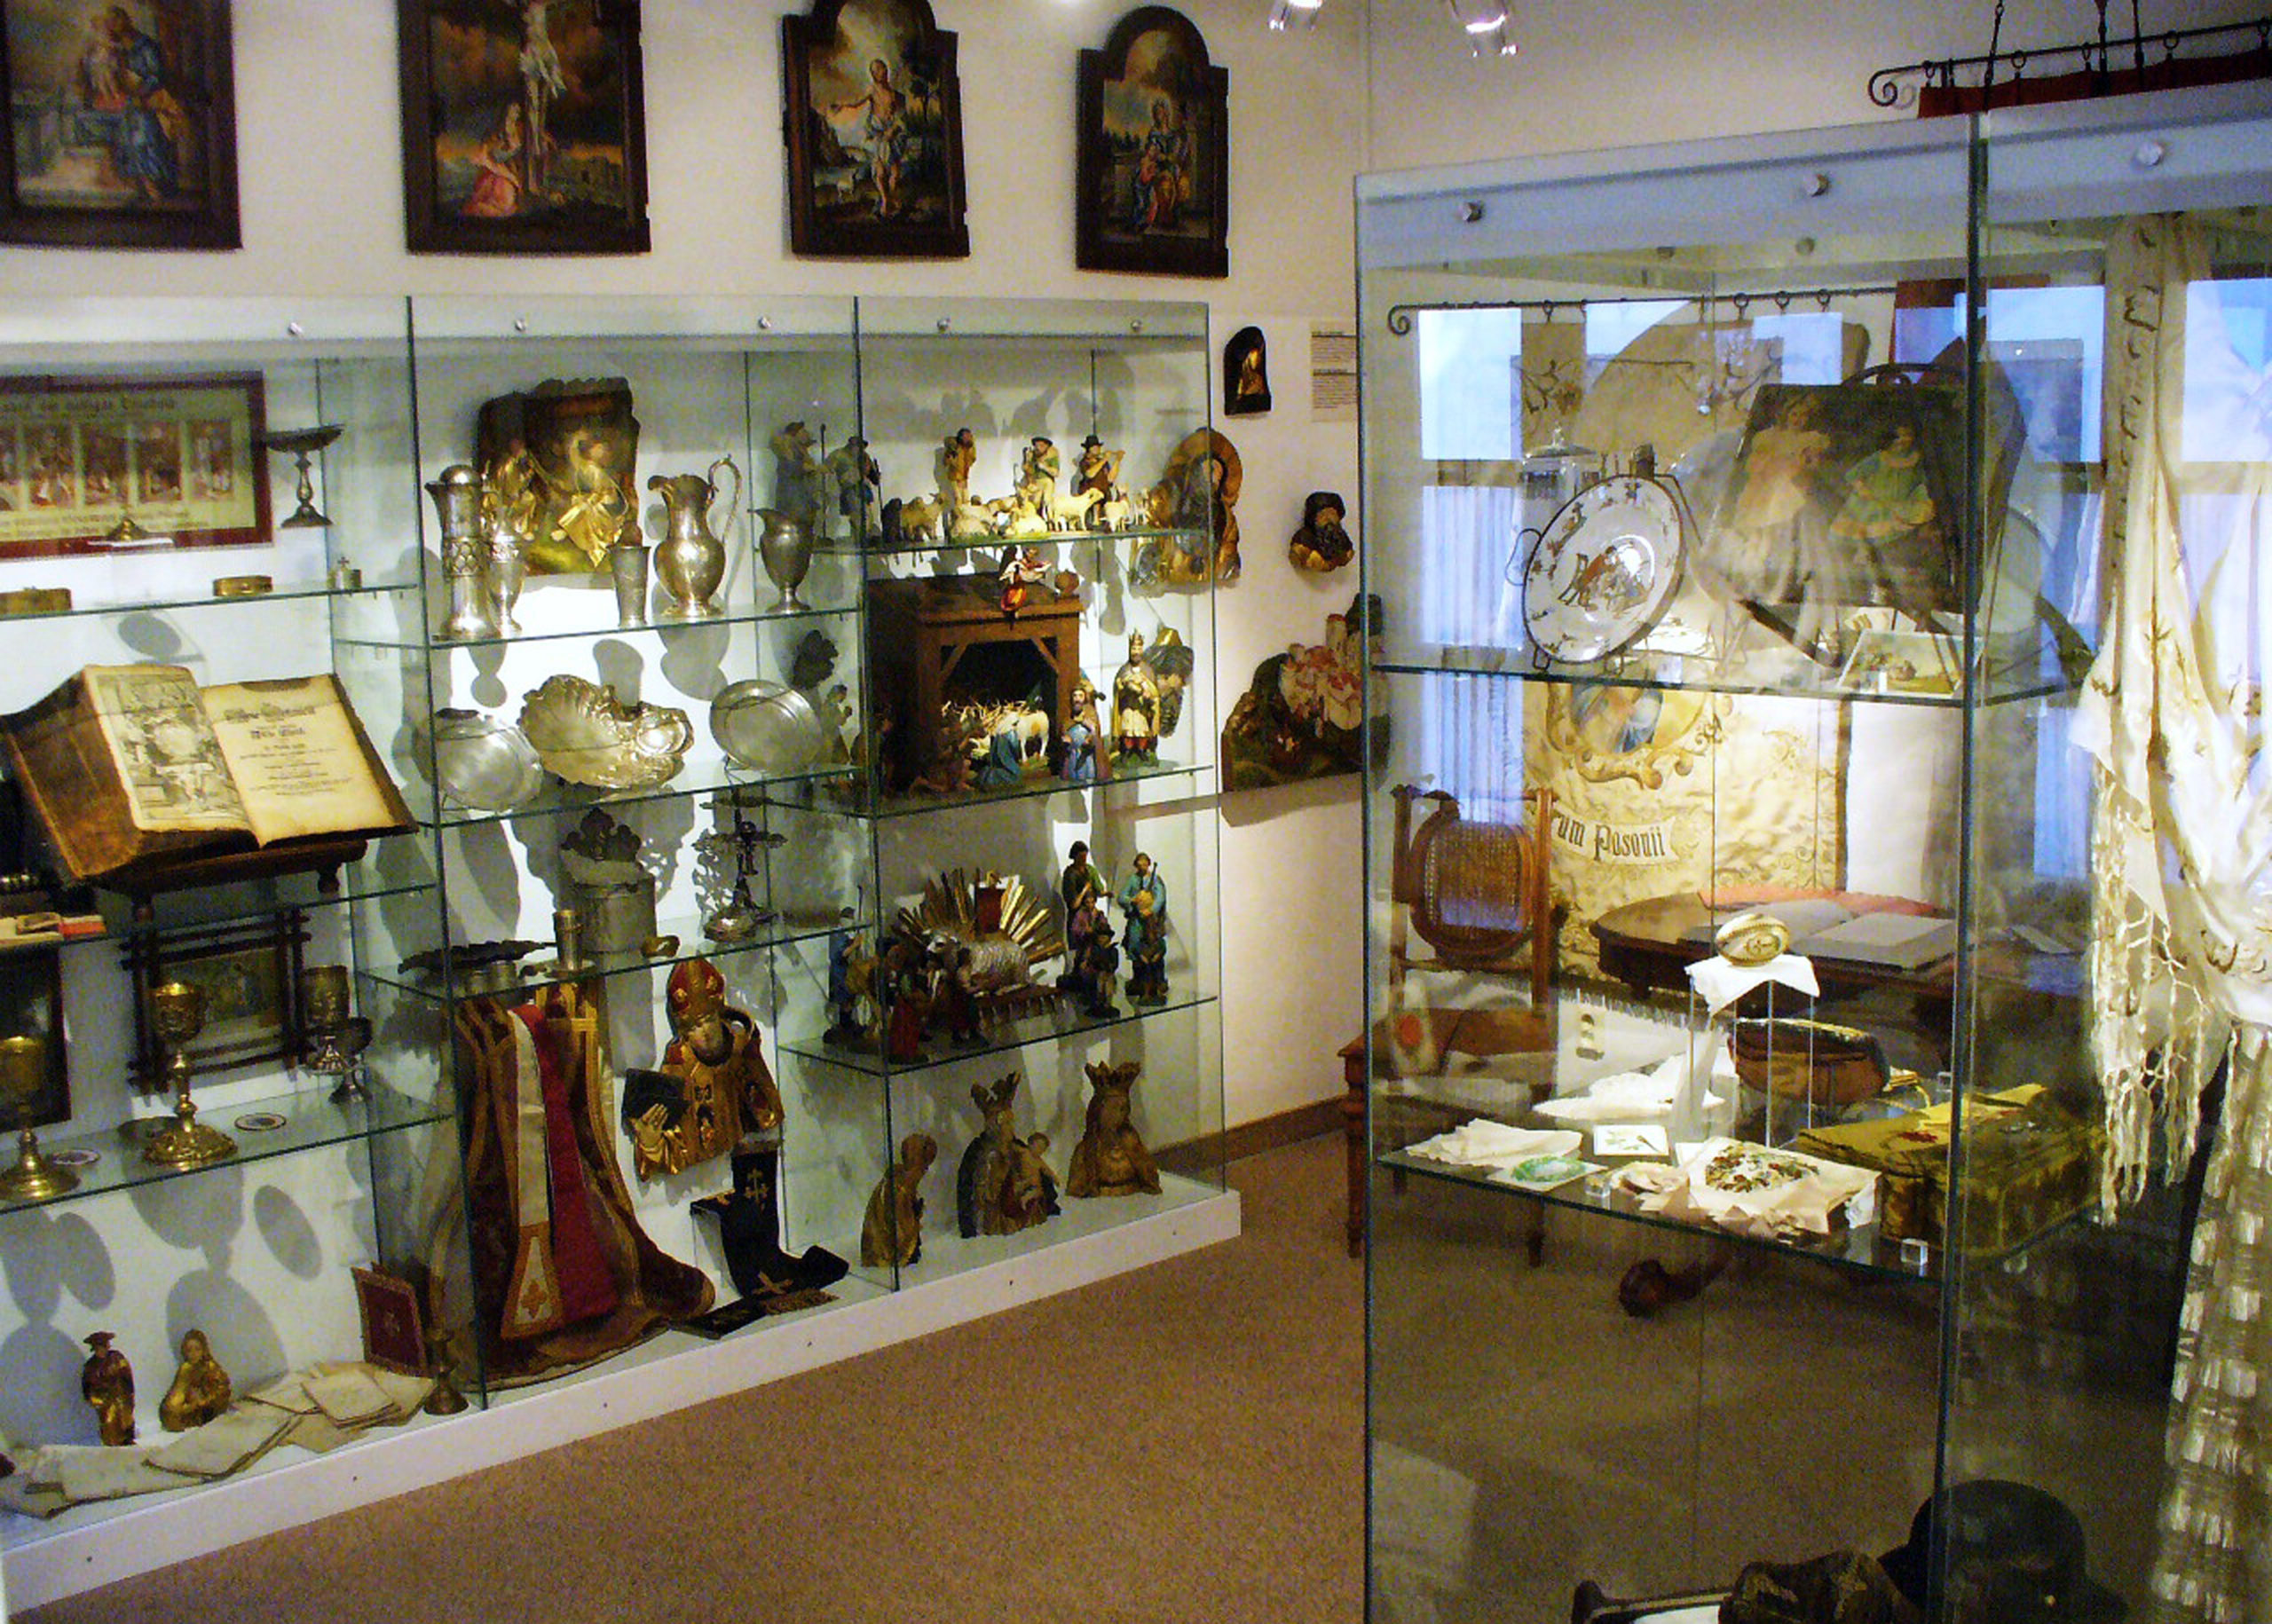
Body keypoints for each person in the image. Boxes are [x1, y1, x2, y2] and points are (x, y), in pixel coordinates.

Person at [82, 7, 181, 206]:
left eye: (116, 21)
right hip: (130, 105)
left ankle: (156, 193)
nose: (113, 26)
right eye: (110, 23)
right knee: (130, 144)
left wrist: (141, 90)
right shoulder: (119, 48)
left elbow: (156, 76)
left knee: (146, 144)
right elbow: (114, 73)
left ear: (125, 21)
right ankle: (143, 191)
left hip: (147, 104)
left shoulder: (145, 46)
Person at [831, 58, 907, 220]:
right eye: (878, 69)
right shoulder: (872, 91)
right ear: (873, 75)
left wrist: (893, 129)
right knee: (880, 170)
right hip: (878, 134)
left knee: (895, 172)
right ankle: (885, 201)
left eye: (883, 68)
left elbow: (901, 116)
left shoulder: (896, 94)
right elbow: (856, 102)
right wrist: (842, 104)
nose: (882, 71)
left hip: (892, 135)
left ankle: (889, 200)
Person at [1129, 98, 1187, 233]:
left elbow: (1174, 156)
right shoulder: (1153, 133)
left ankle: (1165, 218)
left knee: (1170, 182)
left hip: (1169, 166)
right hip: (1156, 165)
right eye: (1155, 113)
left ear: (1166, 114)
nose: (1157, 116)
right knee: (1139, 178)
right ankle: (1140, 218)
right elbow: (1151, 151)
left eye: (1160, 112)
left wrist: (1164, 157)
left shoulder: (1173, 135)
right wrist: (1150, 159)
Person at [462, 102, 528, 218]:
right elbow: (486, 159)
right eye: (513, 109)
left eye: (518, 110)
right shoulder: (494, 133)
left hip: (511, 172)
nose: (516, 113)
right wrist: (511, 177)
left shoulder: (521, 130)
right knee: (498, 190)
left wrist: (515, 177)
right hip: (493, 175)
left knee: (508, 198)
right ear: (506, 111)